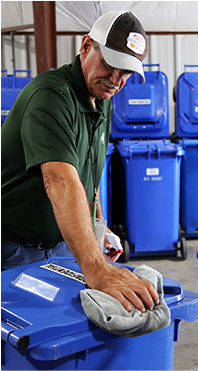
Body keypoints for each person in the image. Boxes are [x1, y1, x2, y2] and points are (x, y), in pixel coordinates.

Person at [1, 11, 158, 313]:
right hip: (11, 249)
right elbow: (60, 180)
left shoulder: (102, 100)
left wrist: (99, 227)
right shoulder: (51, 96)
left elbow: (88, 173)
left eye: (125, 73)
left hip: (60, 247)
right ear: (86, 46)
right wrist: (96, 268)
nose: (115, 80)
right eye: (110, 65)